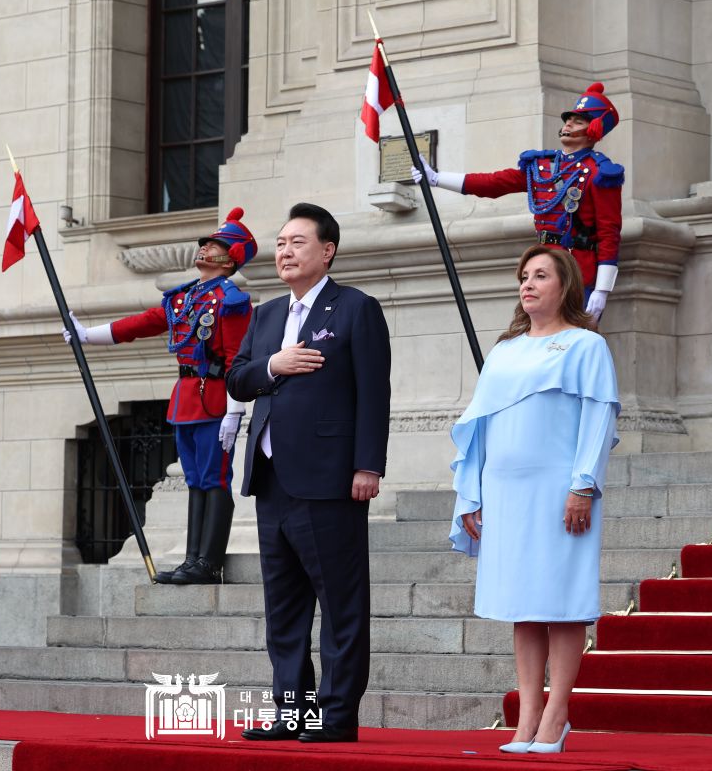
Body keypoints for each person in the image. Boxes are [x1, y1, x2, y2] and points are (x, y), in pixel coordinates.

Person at [227, 202, 391, 744]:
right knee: (285, 607)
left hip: (330, 478)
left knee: (341, 603)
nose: (285, 251)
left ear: (327, 251)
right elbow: (238, 379)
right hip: (272, 478)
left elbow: (374, 393)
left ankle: (338, 713)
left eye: (298, 242)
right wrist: (274, 365)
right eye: (280, 243)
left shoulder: (354, 309)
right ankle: (295, 713)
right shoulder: (268, 314)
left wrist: (368, 464)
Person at [449, 245, 619, 754]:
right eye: (524, 276)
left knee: (561, 603)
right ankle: (526, 718)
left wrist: (582, 484)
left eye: (540, 276)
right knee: (524, 606)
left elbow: (599, 417)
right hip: (506, 490)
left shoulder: (586, 346)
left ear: (564, 285)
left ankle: (557, 715)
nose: (528, 284)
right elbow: (479, 427)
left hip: (558, 490)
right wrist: (472, 494)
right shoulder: (504, 350)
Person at [65, 209, 257, 584]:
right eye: (206, 243)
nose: (204, 248)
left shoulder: (231, 301)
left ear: (229, 257)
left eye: (215, 245)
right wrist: (88, 334)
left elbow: (237, 360)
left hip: (215, 398)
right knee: (195, 480)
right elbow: (143, 323)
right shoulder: (186, 298)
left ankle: (209, 562)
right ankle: (192, 559)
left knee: (214, 479)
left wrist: (235, 413)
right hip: (186, 398)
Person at [413, 81, 623, 321]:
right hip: (541, 266)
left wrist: (602, 289)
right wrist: (437, 178)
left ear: (594, 129)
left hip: (576, 271)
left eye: (578, 121)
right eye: (568, 119)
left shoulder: (601, 173)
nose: (568, 124)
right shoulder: (541, 165)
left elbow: (609, 233)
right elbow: (495, 183)